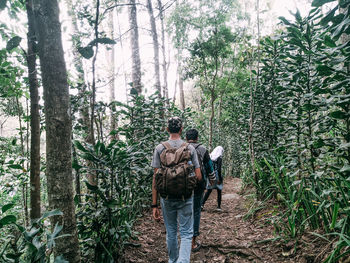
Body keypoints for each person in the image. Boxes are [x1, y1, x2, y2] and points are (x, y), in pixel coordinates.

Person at [151, 117, 202, 263]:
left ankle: (173, 260)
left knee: (171, 231)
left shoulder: (159, 148)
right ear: (181, 130)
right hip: (186, 196)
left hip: (166, 198)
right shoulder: (189, 148)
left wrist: (154, 205)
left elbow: (156, 178)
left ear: (167, 129)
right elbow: (198, 176)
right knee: (186, 233)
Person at [185, 128, 215, 252]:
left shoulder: (182, 147)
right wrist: (212, 179)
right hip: (198, 182)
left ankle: (184, 241)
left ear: (186, 138)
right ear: (197, 138)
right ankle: (192, 242)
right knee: (196, 211)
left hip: (183, 183)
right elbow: (209, 166)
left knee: (184, 211)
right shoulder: (202, 149)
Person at [201, 146, 224, 211]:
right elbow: (219, 169)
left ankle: (202, 204)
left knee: (209, 190)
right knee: (219, 190)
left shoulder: (210, 156)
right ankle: (218, 207)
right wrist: (220, 178)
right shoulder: (219, 157)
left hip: (211, 175)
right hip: (217, 175)